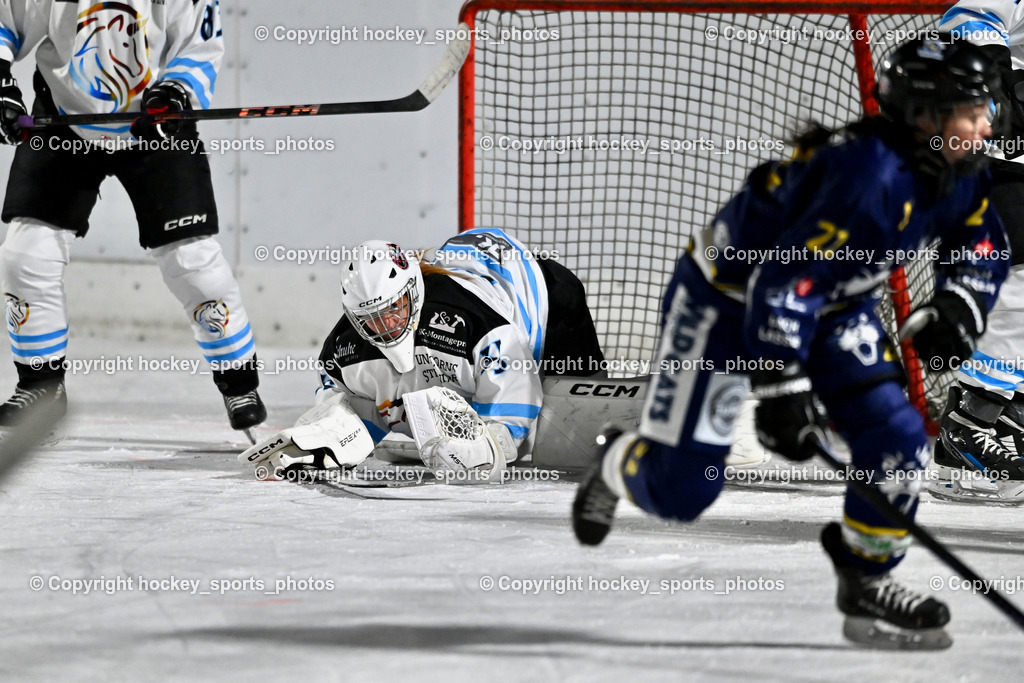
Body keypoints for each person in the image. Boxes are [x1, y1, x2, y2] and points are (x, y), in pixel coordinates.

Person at [571, 36, 1009, 649]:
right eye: (972, 108)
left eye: (987, 105)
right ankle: (618, 460)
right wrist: (782, 387)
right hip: (722, 308)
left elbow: (982, 244)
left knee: (898, 437)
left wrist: (958, 309)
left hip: (829, 306)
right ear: (926, 117)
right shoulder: (868, 179)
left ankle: (866, 578)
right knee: (682, 490)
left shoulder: (955, 172)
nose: (987, 121)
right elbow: (778, 283)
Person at [0, 2, 265, 435]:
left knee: (193, 263)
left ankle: (239, 382)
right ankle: (41, 386)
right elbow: (5, 21)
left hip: (154, 125)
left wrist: (176, 92)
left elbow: (199, 46)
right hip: (64, 119)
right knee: (25, 254)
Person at [240, 228, 606, 479]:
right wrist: (325, 436)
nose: (385, 326)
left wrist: (490, 445)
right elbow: (358, 414)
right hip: (466, 272)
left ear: (414, 294)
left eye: (393, 309)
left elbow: (514, 420)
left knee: (583, 429)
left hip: (538, 289)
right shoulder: (341, 352)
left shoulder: (478, 327)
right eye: (370, 318)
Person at [928, 1, 1024, 500]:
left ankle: (1008, 422)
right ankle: (967, 433)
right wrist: (1001, 91)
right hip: (998, 150)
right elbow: (970, 18)